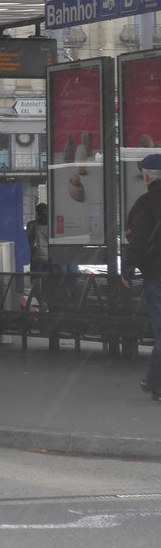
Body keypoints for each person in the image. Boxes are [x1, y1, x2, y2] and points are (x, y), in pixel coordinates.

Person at [122, 153, 161, 403]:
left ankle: (156, 383)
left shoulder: (145, 203)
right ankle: (153, 381)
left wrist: (128, 269)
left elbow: (137, 240)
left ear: (147, 176)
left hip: (157, 275)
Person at [25, 203, 49, 274]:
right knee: (47, 280)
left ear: (37, 214)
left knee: (35, 279)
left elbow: (26, 238)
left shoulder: (32, 225)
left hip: (36, 257)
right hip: (49, 257)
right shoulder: (52, 225)